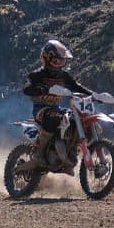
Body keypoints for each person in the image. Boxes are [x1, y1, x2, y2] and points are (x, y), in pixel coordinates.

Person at [21, 39, 95, 167]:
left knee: (75, 119)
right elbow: (26, 89)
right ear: (46, 59)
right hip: (41, 110)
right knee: (54, 119)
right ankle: (39, 154)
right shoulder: (37, 75)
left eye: (62, 61)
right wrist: (43, 89)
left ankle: (69, 150)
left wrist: (93, 95)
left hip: (57, 108)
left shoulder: (63, 76)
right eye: (56, 61)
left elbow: (77, 87)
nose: (59, 64)